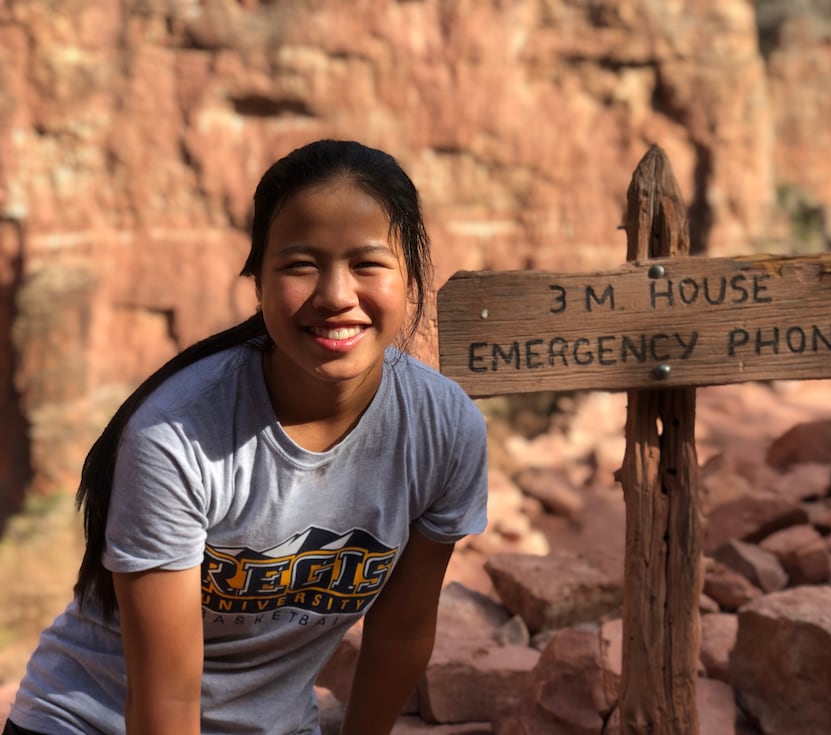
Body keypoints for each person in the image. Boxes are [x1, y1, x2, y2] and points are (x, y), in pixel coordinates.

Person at [5, 140, 489, 735]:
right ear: (257, 279)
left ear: (411, 275)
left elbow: (402, 634)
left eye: (367, 264)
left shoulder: (443, 428)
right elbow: (165, 702)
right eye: (301, 265)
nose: (337, 296)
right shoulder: (176, 436)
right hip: (93, 720)